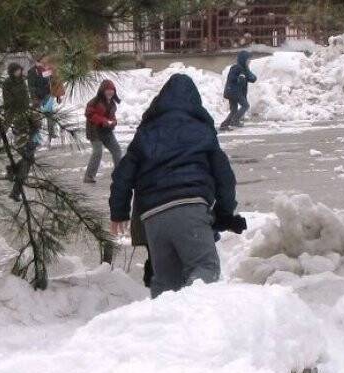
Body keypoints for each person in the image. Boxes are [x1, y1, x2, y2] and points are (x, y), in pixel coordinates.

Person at [109, 74, 247, 298]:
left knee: (166, 283)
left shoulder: (145, 134)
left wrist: (119, 212)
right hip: (190, 208)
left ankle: (164, 320)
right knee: (205, 269)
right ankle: (194, 313)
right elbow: (225, 177)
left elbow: (123, 175)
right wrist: (224, 213)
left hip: (153, 217)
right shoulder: (202, 131)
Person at [1, 62, 41, 201]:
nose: (20, 72)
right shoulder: (7, 83)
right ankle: (15, 191)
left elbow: (26, 98)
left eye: (20, 70)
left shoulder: (22, 82)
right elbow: (8, 102)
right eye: (17, 70)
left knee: (29, 159)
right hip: (18, 120)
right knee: (27, 159)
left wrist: (31, 108)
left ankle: (12, 171)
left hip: (26, 119)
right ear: (12, 71)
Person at [84, 80, 123, 184]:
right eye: (108, 90)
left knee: (117, 150)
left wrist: (114, 121)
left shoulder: (112, 103)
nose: (110, 92)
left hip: (106, 131)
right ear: (102, 90)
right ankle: (89, 177)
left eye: (112, 90)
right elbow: (89, 114)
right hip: (94, 131)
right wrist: (102, 121)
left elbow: (112, 116)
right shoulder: (95, 101)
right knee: (98, 152)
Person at [220, 51, 257, 131]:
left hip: (234, 92)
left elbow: (253, 79)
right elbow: (231, 78)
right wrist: (239, 78)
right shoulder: (236, 67)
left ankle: (224, 125)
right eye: (248, 59)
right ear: (243, 60)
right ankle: (235, 120)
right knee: (245, 105)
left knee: (234, 110)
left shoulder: (245, 69)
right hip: (233, 91)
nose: (249, 61)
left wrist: (248, 75)